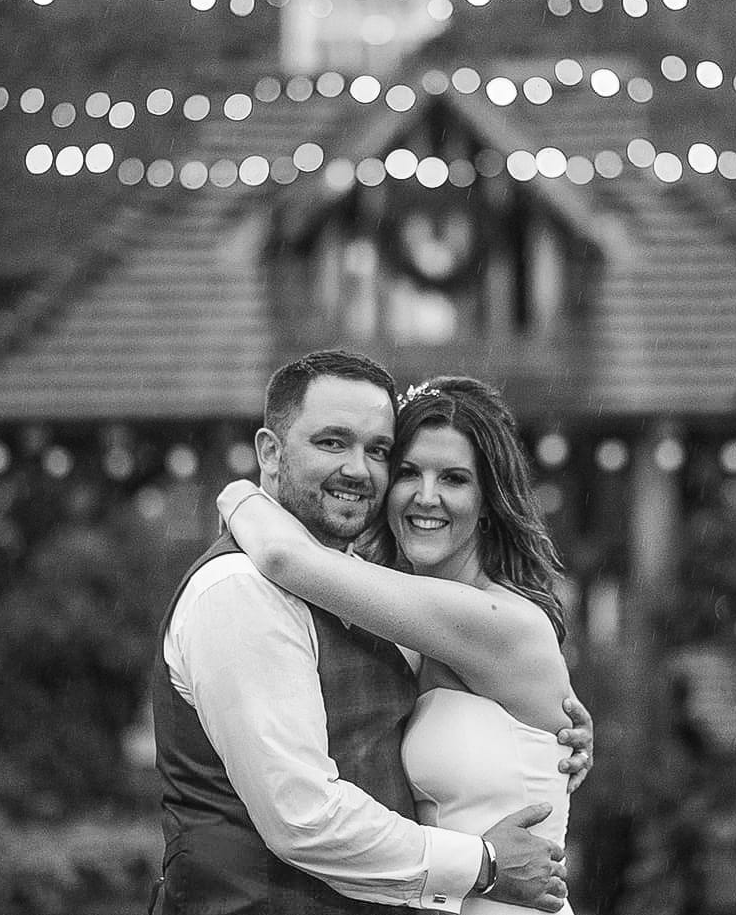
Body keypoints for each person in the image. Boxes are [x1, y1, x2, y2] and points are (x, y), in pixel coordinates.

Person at [153, 351, 591, 915]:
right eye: (408, 471)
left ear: (489, 503)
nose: (424, 496)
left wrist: (240, 498)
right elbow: (303, 815)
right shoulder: (313, 598)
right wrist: (481, 862)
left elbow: (288, 558)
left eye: (379, 452)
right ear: (270, 450)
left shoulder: (492, 621)